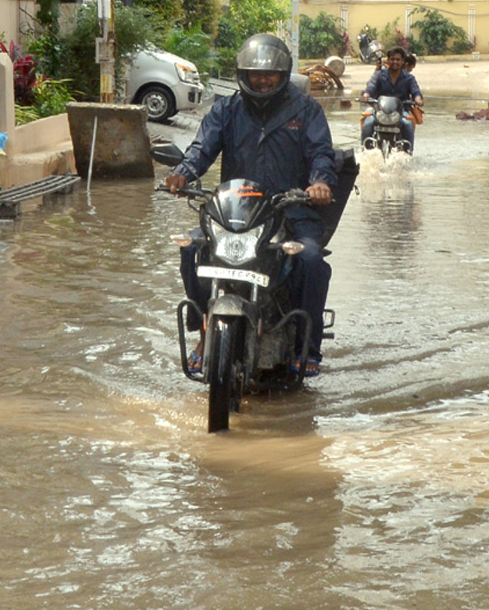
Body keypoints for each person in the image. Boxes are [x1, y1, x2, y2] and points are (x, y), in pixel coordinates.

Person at [164, 33, 337, 377]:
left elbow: (321, 153)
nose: (262, 79)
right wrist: (182, 172)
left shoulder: (306, 110)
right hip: (236, 211)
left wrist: (319, 184)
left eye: (269, 74)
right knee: (190, 248)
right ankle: (202, 329)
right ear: (243, 75)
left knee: (311, 260)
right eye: (255, 73)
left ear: (282, 75)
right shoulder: (227, 109)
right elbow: (201, 149)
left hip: (291, 209)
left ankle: (308, 345)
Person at [361, 46, 425, 149]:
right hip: (380, 111)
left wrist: (418, 99)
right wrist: (366, 95)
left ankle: (408, 153)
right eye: (392, 59)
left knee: (408, 124)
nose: (395, 62)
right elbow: (371, 87)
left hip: (401, 111)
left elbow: (416, 91)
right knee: (368, 123)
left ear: (403, 61)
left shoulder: (409, 78)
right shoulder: (379, 75)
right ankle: (365, 151)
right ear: (388, 60)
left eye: (398, 59)